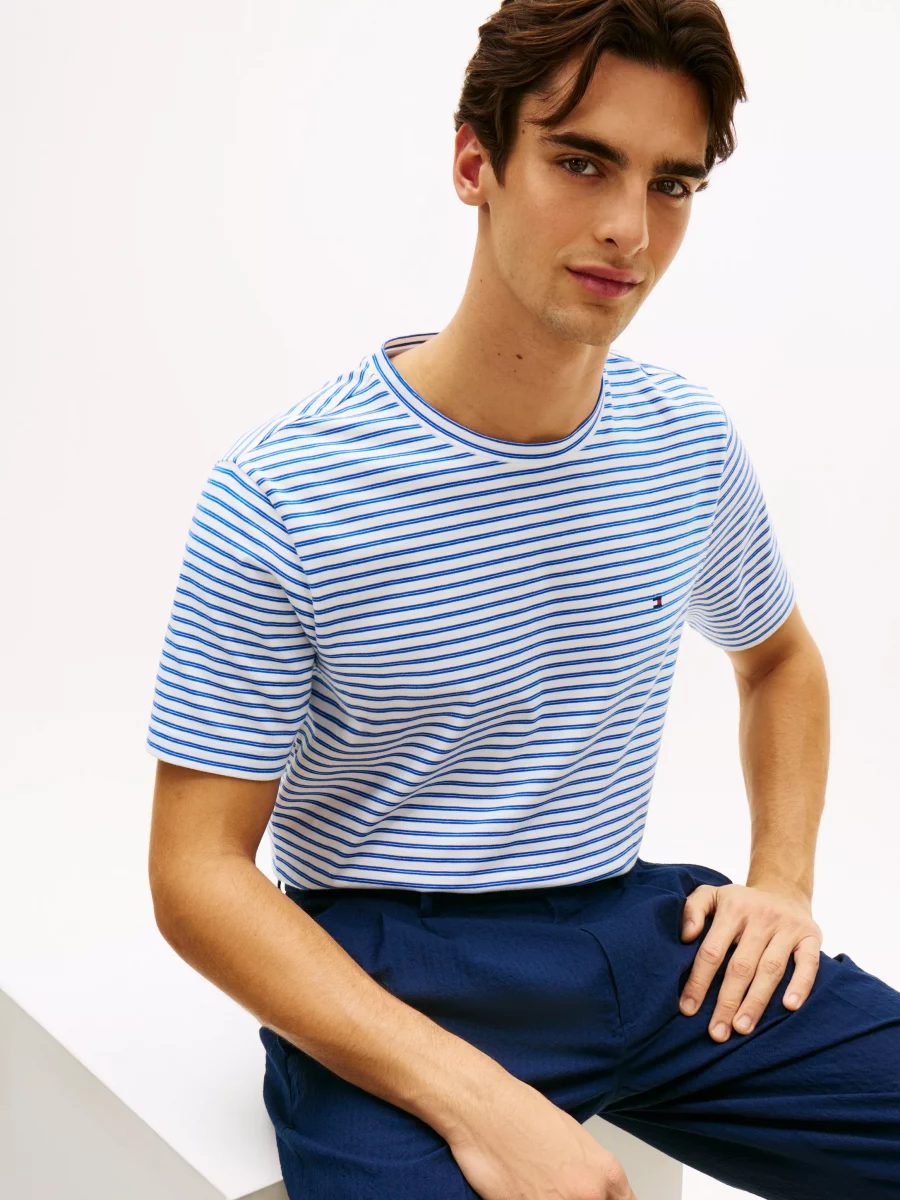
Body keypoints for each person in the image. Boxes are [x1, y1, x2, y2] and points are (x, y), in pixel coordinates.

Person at [146, 1, 900, 1197]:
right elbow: (197, 872)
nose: (628, 230)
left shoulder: (686, 443)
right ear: (475, 162)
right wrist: (481, 1099)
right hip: (391, 969)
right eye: (582, 161)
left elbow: (780, 662)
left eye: (671, 184)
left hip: (644, 936)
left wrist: (782, 883)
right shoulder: (284, 493)